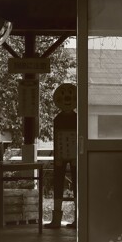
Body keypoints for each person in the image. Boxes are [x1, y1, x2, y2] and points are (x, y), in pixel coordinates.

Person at [47, 83, 77, 229]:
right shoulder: (58, 119)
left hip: (70, 154)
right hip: (62, 154)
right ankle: (57, 219)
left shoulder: (70, 118)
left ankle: (75, 218)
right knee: (58, 183)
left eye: (70, 95)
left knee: (76, 184)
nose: (67, 98)